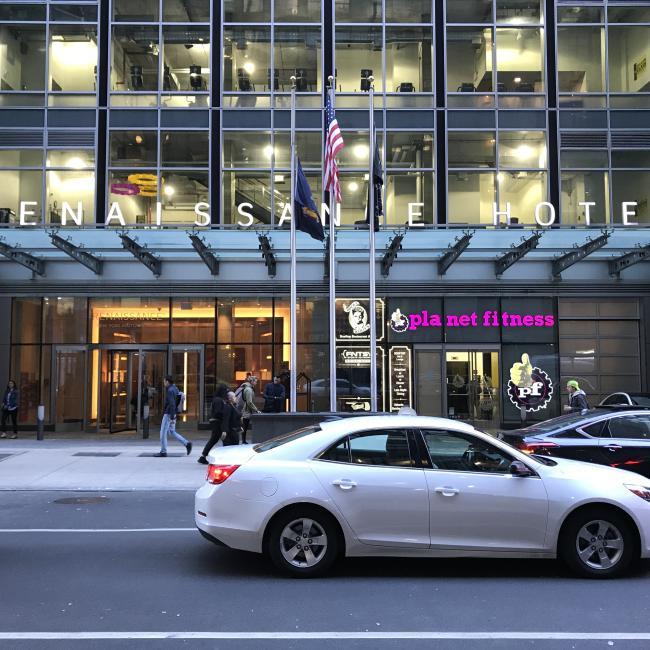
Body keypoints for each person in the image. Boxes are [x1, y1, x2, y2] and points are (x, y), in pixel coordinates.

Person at [155, 375, 192, 458]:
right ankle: (187, 443)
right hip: (173, 413)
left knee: (163, 432)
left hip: (169, 414)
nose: (164, 383)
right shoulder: (175, 388)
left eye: (164, 381)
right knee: (172, 431)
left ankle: (163, 451)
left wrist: (171, 417)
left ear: (167, 381)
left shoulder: (170, 390)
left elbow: (172, 404)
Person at [240, 376, 260, 444]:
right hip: (246, 410)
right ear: (252, 382)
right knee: (245, 426)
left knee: (245, 426)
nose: (256, 383)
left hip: (247, 409)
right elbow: (249, 402)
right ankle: (243, 441)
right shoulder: (249, 389)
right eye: (255, 381)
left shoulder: (248, 388)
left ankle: (243, 440)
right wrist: (256, 410)